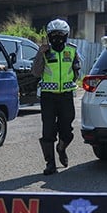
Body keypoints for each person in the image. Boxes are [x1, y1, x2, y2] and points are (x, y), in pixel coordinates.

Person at [32, 18, 81, 175]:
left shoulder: (72, 50)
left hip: (66, 97)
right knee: (48, 131)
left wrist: (71, 82)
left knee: (67, 130)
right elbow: (36, 72)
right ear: (49, 36)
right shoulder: (44, 52)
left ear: (66, 36)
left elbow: (76, 71)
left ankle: (61, 147)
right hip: (48, 98)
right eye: (54, 35)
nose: (57, 38)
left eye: (60, 35)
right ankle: (50, 164)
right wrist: (40, 54)